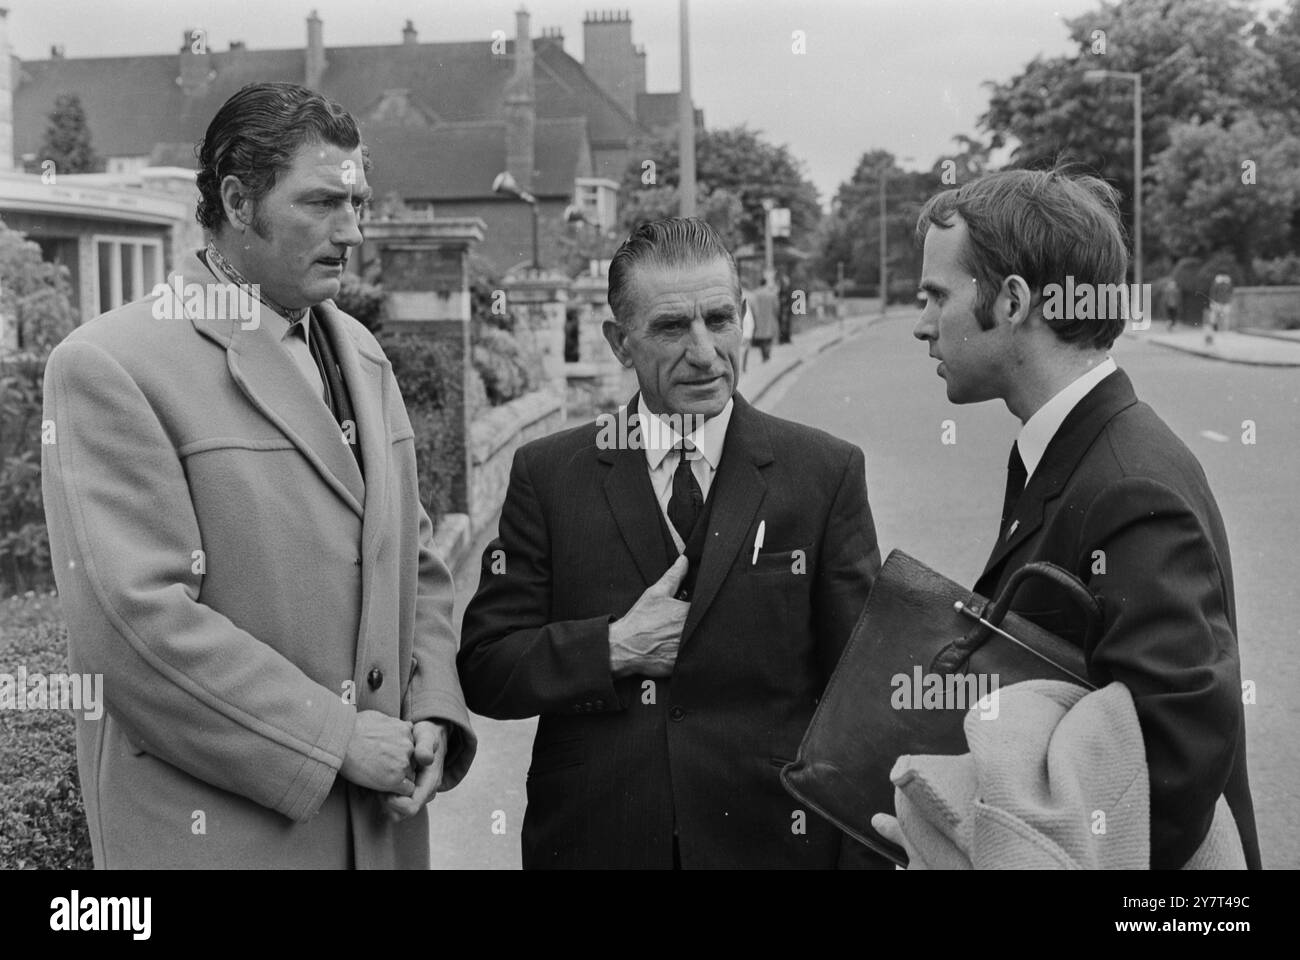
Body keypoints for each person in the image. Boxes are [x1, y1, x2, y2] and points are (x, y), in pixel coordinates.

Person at [40, 82, 476, 869]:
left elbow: (415, 568)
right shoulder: (109, 365)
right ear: (238, 203)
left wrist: (436, 711)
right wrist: (337, 738)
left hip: (379, 829)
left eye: (358, 204)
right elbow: (138, 627)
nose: (353, 233)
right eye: (322, 204)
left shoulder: (365, 357)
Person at [457, 217, 884, 869]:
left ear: (744, 316)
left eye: (719, 319)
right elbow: (487, 666)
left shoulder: (823, 474)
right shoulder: (551, 475)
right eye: (671, 327)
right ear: (620, 343)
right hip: (597, 843)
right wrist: (613, 648)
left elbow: (860, 703)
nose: (706, 351)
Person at [906, 168, 1259, 870]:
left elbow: (1174, 766)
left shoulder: (1127, 485)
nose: (921, 324)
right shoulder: (1075, 448)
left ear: (1011, 302)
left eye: (936, 296)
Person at [749, 271, 780, 362]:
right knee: (769, 337)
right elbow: (776, 307)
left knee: (762, 338)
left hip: (758, 318)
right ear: (766, 283)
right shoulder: (771, 294)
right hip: (769, 317)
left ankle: (764, 354)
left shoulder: (755, 293)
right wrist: (776, 315)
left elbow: (751, 305)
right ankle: (767, 354)